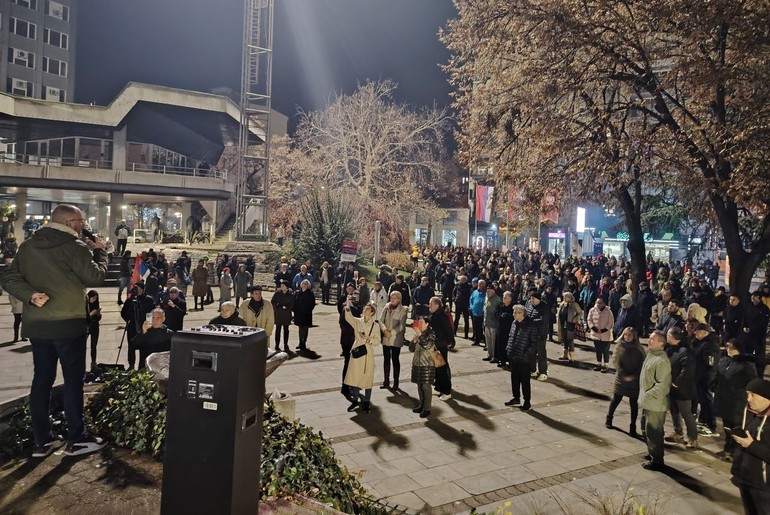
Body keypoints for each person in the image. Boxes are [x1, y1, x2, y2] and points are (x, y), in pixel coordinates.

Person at [0, 204, 107, 457]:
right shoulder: (75, 247)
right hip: (68, 325)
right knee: (73, 382)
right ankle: (77, 439)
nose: (84, 225)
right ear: (71, 222)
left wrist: (30, 296)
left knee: (42, 381)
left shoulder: (28, 245)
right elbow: (95, 278)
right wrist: (101, 253)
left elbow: (8, 277)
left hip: (38, 327)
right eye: (82, 220)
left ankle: (42, 441)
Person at [730, 378, 770, 514]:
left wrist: (751, 445)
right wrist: (736, 472)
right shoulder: (753, 415)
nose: (748, 399)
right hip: (745, 478)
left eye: (753, 395)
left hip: (763, 486)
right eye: (747, 394)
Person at [715, 339, 757, 461]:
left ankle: (737, 453)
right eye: (727, 347)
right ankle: (728, 449)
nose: (727, 349)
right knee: (727, 427)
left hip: (738, 402)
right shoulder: (724, 361)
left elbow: (752, 383)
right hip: (724, 400)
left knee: (737, 427)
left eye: (730, 347)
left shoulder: (747, 365)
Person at [639, 330, 672, 470]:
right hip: (648, 402)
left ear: (661, 343)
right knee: (646, 429)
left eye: (653, 339)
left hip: (655, 404)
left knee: (654, 432)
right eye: (650, 338)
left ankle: (657, 460)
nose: (649, 340)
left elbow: (663, 386)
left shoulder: (661, 361)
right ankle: (652, 452)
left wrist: (647, 395)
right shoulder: (651, 355)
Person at [343, 302, 383, 413]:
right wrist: (347, 307)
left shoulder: (375, 326)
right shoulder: (358, 321)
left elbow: (378, 341)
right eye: (364, 308)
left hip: (367, 353)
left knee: (367, 378)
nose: (365, 310)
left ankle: (366, 402)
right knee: (355, 377)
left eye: (367, 309)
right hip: (357, 351)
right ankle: (355, 400)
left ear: (372, 313)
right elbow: (349, 318)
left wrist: (368, 338)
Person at [606, 327, 646, 436]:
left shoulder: (639, 348)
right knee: (616, 400)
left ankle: (632, 426)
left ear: (634, 336)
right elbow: (616, 361)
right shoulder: (620, 346)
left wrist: (634, 375)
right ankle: (609, 418)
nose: (627, 337)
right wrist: (624, 374)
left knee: (634, 404)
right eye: (625, 335)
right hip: (621, 379)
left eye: (629, 335)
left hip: (634, 380)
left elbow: (643, 363)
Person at [504, 304, 537, 411]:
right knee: (514, 379)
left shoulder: (530, 325)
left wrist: (526, 355)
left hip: (524, 358)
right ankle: (516, 397)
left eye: (515, 312)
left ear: (521, 314)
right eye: (514, 312)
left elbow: (533, 343)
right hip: (514, 356)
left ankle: (527, 401)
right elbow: (510, 337)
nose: (513, 314)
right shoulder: (514, 323)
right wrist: (508, 350)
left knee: (525, 381)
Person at [691, 323, 720, 437]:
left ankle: (711, 425)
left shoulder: (710, 345)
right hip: (699, 377)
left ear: (704, 332)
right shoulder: (700, 342)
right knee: (702, 401)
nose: (695, 333)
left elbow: (710, 364)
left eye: (697, 331)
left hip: (706, 379)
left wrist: (707, 378)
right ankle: (703, 420)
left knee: (708, 401)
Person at [120, 281, 156, 370]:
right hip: (132, 326)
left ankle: (142, 366)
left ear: (143, 289)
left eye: (138, 288)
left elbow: (152, 312)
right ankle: (131, 365)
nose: (136, 290)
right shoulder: (130, 300)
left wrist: (149, 323)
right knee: (131, 346)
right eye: (135, 288)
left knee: (143, 347)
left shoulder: (149, 300)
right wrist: (128, 319)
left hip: (144, 327)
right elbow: (124, 312)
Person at [409, 316, 437, 418]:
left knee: (426, 386)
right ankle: (421, 405)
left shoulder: (431, 333)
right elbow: (411, 349)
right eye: (418, 322)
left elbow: (427, 345)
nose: (419, 324)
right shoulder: (418, 334)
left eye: (421, 322)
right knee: (419, 385)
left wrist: (420, 335)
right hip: (417, 363)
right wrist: (413, 342)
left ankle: (427, 408)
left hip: (427, 364)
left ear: (427, 324)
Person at [428, 296, 455, 401]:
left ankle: (447, 391)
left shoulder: (441, 316)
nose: (429, 305)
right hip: (435, 344)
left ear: (437, 305)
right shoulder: (433, 314)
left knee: (442, 368)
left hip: (441, 344)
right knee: (436, 368)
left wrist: (451, 341)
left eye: (431, 303)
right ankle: (438, 387)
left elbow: (448, 329)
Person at [379, 291, 407, 389]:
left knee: (395, 360)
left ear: (399, 299)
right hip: (386, 337)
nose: (393, 300)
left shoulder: (402, 310)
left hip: (396, 339)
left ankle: (396, 382)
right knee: (386, 359)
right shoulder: (386, 307)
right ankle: (386, 381)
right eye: (391, 298)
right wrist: (384, 330)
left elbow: (401, 325)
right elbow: (380, 320)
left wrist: (391, 333)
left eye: (395, 298)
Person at [587, 297, 615, 372]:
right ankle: (599, 363)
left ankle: (606, 365)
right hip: (596, 334)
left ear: (604, 303)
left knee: (605, 350)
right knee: (598, 350)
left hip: (606, 334)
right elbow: (589, 320)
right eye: (597, 302)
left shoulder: (608, 311)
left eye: (600, 303)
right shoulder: (592, 310)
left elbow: (611, 322)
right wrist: (594, 328)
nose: (598, 304)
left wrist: (604, 330)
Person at [557, 291, 583, 362]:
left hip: (570, 324)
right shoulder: (562, 304)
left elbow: (580, 312)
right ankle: (565, 354)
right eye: (564, 296)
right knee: (564, 339)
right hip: (562, 323)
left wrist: (575, 319)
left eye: (566, 297)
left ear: (570, 297)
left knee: (570, 340)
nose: (565, 298)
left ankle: (572, 356)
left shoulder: (574, 304)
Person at [293, 279, 316, 352]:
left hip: (306, 314)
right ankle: (300, 342)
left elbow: (312, 303)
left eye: (306, 284)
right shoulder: (297, 293)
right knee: (300, 329)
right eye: (303, 283)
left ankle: (304, 342)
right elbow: (294, 302)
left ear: (308, 285)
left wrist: (308, 311)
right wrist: (294, 310)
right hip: (299, 313)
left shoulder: (310, 293)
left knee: (305, 328)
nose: (304, 285)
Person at [271, 280, 294, 352]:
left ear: (287, 287)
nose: (281, 287)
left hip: (286, 314)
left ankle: (285, 344)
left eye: (283, 286)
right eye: (281, 286)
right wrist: (277, 307)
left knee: (286, 330)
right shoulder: (277, 293)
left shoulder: (290, 294)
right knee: (278, 330)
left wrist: (287, 307)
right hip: (278, 314)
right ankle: (277, 344)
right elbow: (273, 302)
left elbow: (292, 304)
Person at [483, 283, 502, 363]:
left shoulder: (497, 299)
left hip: (494, 323)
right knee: (488, 340)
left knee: (494, 341)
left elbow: (499, 311)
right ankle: (489, 355)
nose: (487, 292)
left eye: (489, 291)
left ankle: (495, 356)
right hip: (486, 322)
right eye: (487, 291)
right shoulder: (486, 298)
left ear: (493, 291)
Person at [495, 291, 514, 368]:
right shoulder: (501, 306)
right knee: (501, 345)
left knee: (509, 346)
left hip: (509, 329)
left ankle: (510, 361)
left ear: (510, 298)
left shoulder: (513, 307)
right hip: (501, 328)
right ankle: (501, 360)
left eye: (505, 297)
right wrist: (500, 315)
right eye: (503, 297)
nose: (503, 298)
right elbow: (496, 314)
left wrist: (507, 316)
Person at [86, 290, 102, 371]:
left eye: (96, 298)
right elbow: (83, 317)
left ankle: (93, 362)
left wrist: (98, 314)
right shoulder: (85, 304)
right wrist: (91, 314)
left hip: (95, 326)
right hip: (87, 326)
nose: (94, 300)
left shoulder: (96, 304)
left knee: (93, 346)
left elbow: (98, 318)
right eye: (93, 298)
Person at [452, 275, 472, 339]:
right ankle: (454, 332)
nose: (462, 281)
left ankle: (466, 334)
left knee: (466, 320)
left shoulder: (468, 286)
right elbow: (453, 292)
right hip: (458, 304)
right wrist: (455, 299)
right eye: (461, 279)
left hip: (465, 305)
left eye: (463, 279)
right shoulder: (457, 285)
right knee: (456, 319)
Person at [469, 279, 486, 346]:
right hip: (475, 312)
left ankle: (485, 341)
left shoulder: (485, 293)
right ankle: (477, 340)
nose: (479, 285)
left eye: (481, 284)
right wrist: (471, 307)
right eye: (479, 283)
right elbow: (471, 299)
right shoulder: (475, 292)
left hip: (482, 313)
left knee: (483, 328)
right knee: (476, 327)